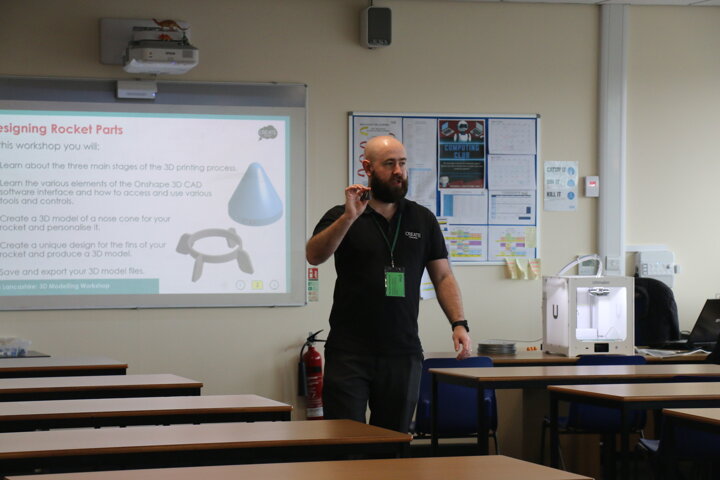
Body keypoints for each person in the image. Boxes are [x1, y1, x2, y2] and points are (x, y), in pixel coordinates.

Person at [306, 135, 472, 433]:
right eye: (389, 164)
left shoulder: (422, 219)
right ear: (368, 168)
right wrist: (348, 218)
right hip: (349, 352)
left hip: (402, 351)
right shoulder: (342, 215)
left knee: (393, 442)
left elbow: (443, 276)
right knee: (345, 441)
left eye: (403, 163)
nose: (398, 171)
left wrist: (459, 323)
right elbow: (314, 255)